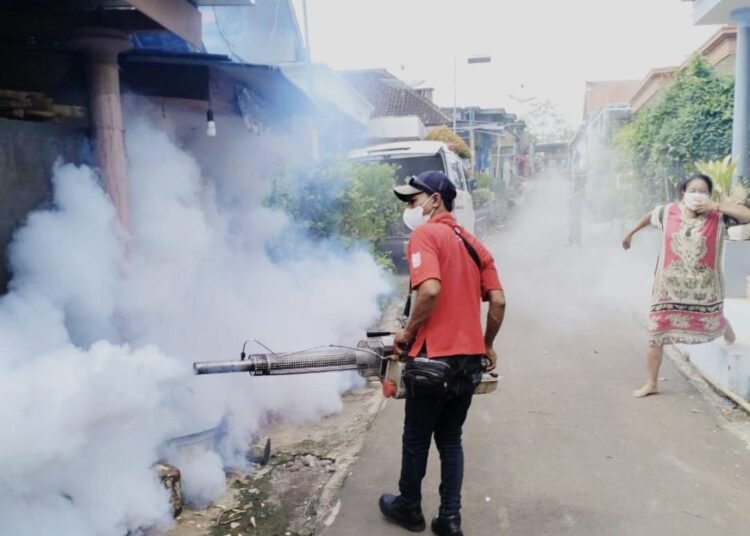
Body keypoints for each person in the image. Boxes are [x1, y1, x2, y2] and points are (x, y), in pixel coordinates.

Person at [378, 171, 506, 536]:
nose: (410, 208)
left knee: (416, 438)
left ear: (435, 200)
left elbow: (430, 290)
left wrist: (408, 331)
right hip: (468, 362)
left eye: (414, 200)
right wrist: (488, 343)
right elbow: (498, 300)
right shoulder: (473, 243)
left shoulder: (425, 235)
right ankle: (450, 519)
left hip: (433, 361)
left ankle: (409, 509)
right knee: (450, 439)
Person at [622, 173, 750, 398]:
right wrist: (630, 233)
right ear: (684, 192)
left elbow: (747, 215)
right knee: (656, 333)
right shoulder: (667, 212)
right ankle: (651, 383)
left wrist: (717, 205)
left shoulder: (718, 216)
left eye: (703, 191)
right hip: (668, 290)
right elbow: (649, 215)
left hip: (703, 292)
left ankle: (724, 326)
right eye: (693, 190)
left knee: (715, 321)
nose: (697, 195)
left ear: (709, 195)